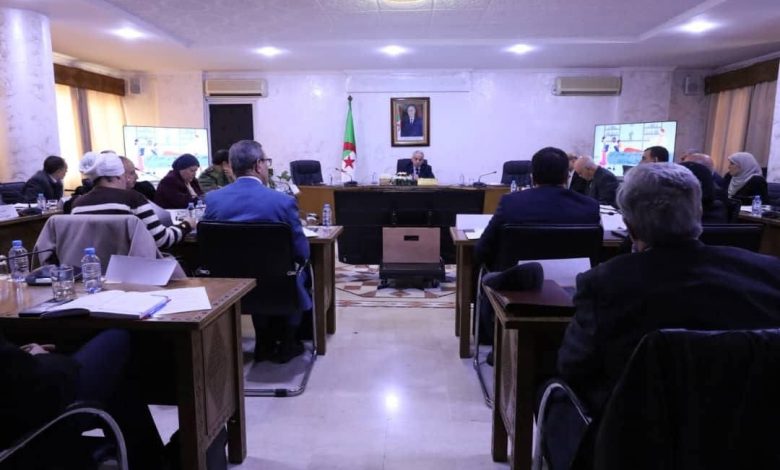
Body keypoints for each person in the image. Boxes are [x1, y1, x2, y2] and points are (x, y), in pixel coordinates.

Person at [549, 163, 780, 467]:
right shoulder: (769, 273)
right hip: (753, 442)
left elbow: (572, 366)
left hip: (637, 446)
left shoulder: (605, 284)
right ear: (698, 212)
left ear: (629, 225)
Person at [475, 147, 600, 355]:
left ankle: (493, 342)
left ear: (532, 176)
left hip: (519, 287)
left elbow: (482, 250)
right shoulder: (589, 206)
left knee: (485, 274)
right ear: (567, 176)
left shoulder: (511, 203)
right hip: (573, 286)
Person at [203, 140, 311, 364]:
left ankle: (263, 341)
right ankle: (288, 342)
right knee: (297, 272)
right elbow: (301, 252)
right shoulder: (283, 202)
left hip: (230, 284)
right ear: (258, 165)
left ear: (232, 167)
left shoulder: (213, 200)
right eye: (266, 161)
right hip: (278, 283)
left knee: (251, 269)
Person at [0, 329, 165, 469]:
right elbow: (37, 380)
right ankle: (152, 460)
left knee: (114, 370)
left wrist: (19, 356)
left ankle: (150, 459)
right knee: (117, 339)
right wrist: (39, 357)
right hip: (33, 416)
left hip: (16, 403)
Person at [71, 152, 194, 248]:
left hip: (92, 268)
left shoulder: (78, 204)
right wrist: (186, 225)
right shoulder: (133, 199)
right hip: (131, 268)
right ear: (119, 175)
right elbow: (162, 240)